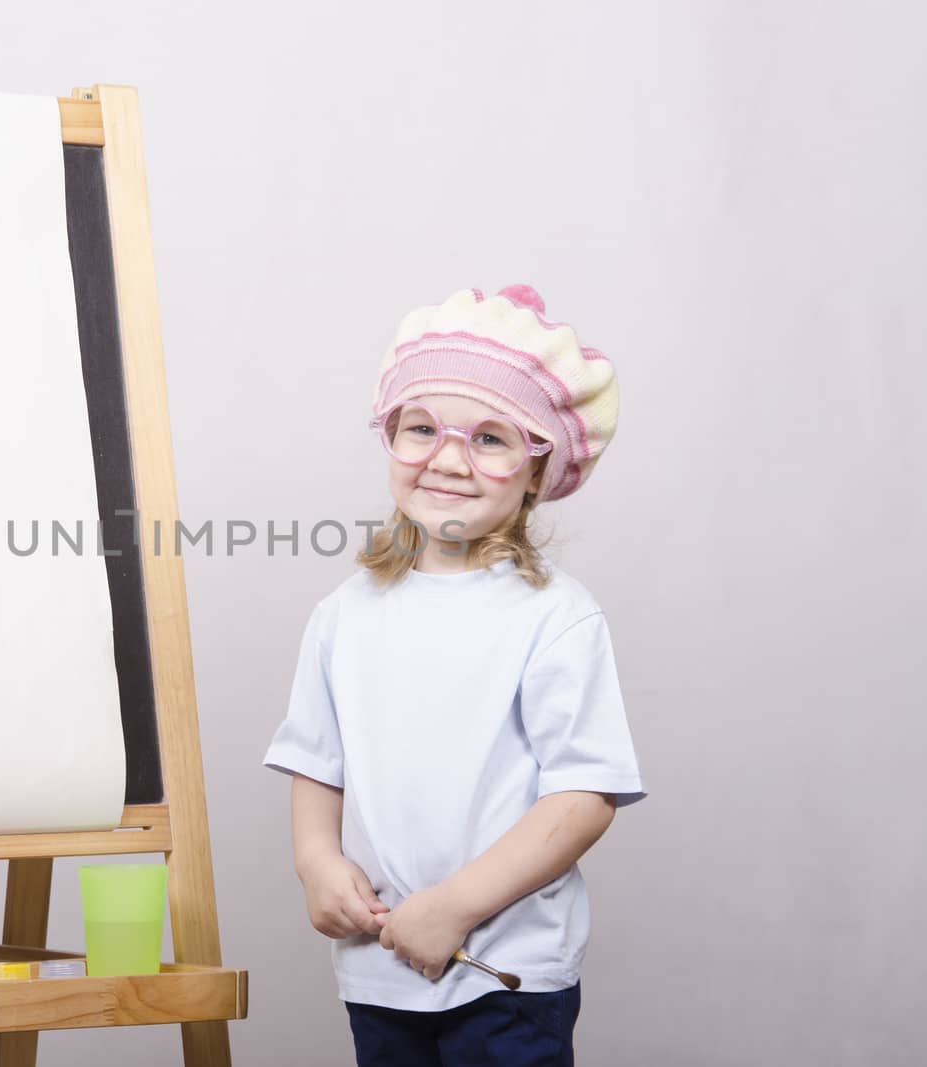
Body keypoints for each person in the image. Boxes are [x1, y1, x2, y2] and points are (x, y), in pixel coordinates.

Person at [263, 284, 646, 1066]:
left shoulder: (553, 618)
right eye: (421, 427)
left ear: (539, 472)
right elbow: (315, 760)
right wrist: (318, 862)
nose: (446, 458)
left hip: (505, 970)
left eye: (491, 438)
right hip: (381, 969)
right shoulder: (344, 614)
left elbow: (584, 794)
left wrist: (453, 906)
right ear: (390, 436)